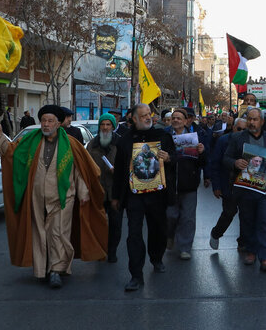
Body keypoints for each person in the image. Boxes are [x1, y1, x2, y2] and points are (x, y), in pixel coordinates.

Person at [0, 105, 107, 289]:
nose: (45, 124)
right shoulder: (31, 141)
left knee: (58, 233)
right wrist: (0, 136)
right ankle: (42, 269)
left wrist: (84, 190)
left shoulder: (71, 143)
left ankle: (56, 270)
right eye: (43, 120)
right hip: (36, 197)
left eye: (50, 121)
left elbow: (80, 170)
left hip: (63, 197)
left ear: (59, 123)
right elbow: (12, 153)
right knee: (40, 233)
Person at [111, 103, 175, 292]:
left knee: (158, 229)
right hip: (134, 196)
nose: (148, 117)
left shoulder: (163, 137)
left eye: (149, 114)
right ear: (134, 119)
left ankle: (156, 257)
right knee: (134, 235)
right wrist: (116, 197)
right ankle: (136, 275)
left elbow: (175, 159)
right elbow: (119, 171)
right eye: (144, 115)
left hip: (157, 194)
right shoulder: (125, 141)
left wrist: (169, 158)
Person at [223, 108, 266, 272]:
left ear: (262, 122)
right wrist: (235, 163)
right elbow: (226, 158)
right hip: (245, 188)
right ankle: (251, 251)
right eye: (249, 119)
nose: (251, 122)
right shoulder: (237, 138)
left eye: (255, 119)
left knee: (265, 220)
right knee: (248, 220)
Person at [166, 108, 207, 260]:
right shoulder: (165, 136)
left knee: (188, 218)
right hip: (170, 184)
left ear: (185, 121)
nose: (176, 120)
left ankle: (185, 247)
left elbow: (202, 162)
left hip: (189, 183)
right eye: (173, 118)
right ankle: (169, 235)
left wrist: (202, 152)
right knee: (170, 215)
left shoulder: (194, 138)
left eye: (179, 118)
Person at [85, 113, 122, 262]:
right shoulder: (92, 144)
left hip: (115, 191)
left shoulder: (120, 143)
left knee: (115, 224)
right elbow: (86, 166)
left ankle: (112, 251)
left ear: (113, 126)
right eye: (102, 124)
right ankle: (100, 250)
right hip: (98, 190)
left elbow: (129, 166)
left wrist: (118, 171)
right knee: (98, 224)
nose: (105, 128)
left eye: (108, 125)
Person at [209, 118, 247, 251]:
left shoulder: (249, 141)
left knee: (246, 213)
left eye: (244, 129)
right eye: (239, 129)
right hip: (228, 183)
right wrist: (216, 186)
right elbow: (215, 163)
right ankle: (216, 233)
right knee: (229, 212)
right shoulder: (223, 140)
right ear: (234, 128)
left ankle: (243, 242)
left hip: (246, 184)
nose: (242, 132)